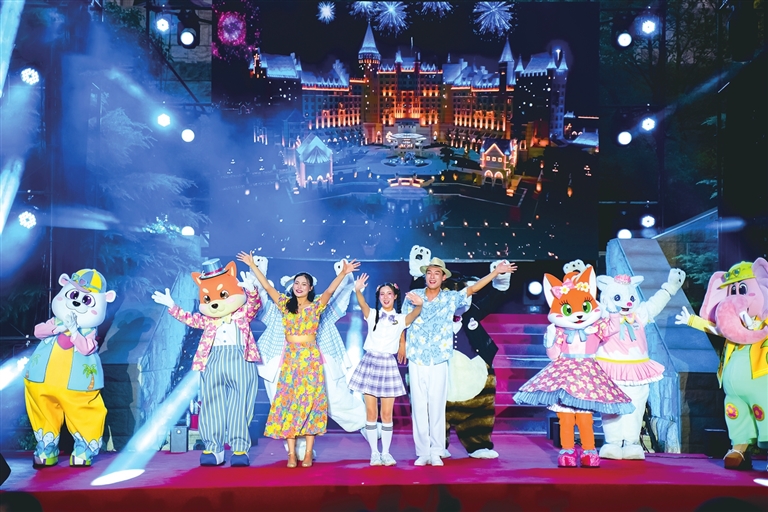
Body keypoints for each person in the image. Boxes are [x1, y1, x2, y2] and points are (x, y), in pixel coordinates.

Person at [237, 251, 359, 468]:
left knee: (311, 404)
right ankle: (292, 454)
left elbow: (330, 291)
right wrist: (252, 266)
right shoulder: (285, 304)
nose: (299, 286)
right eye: (297, 283)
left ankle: (309, 453)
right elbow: (267, 287)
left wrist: (344, 273)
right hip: (291, 360)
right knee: (288, 405)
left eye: (304, 284)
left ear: (310, 288)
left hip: (310, 359)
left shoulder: (316, 306)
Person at [402, 257, 517, 466]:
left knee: (438, 407)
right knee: (420, 407)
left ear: (443, 277)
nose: (432, 277)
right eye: (429, 273)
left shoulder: (450, 298)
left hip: (439, 358)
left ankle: (436, 451)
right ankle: (423, 452)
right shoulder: (414, 295)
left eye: (437, 273)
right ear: (425, 275)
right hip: (417, 357)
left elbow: (472, 289)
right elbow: (403, 322)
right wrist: (402, 344)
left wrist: (495, 273)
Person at [348, 273, 423, 466]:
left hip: (388, 365)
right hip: (370, 363)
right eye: (382, 294)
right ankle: (374, 453)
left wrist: (419, 305)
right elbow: (362, 304)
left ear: (395, 296)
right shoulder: (372, 314)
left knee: (387, 414)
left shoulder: (400, 319)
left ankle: (386, 453)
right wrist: (357, 290)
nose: (386, 297)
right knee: (371, 413)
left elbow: (414, 314)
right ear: (378, 296)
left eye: (389, 293)